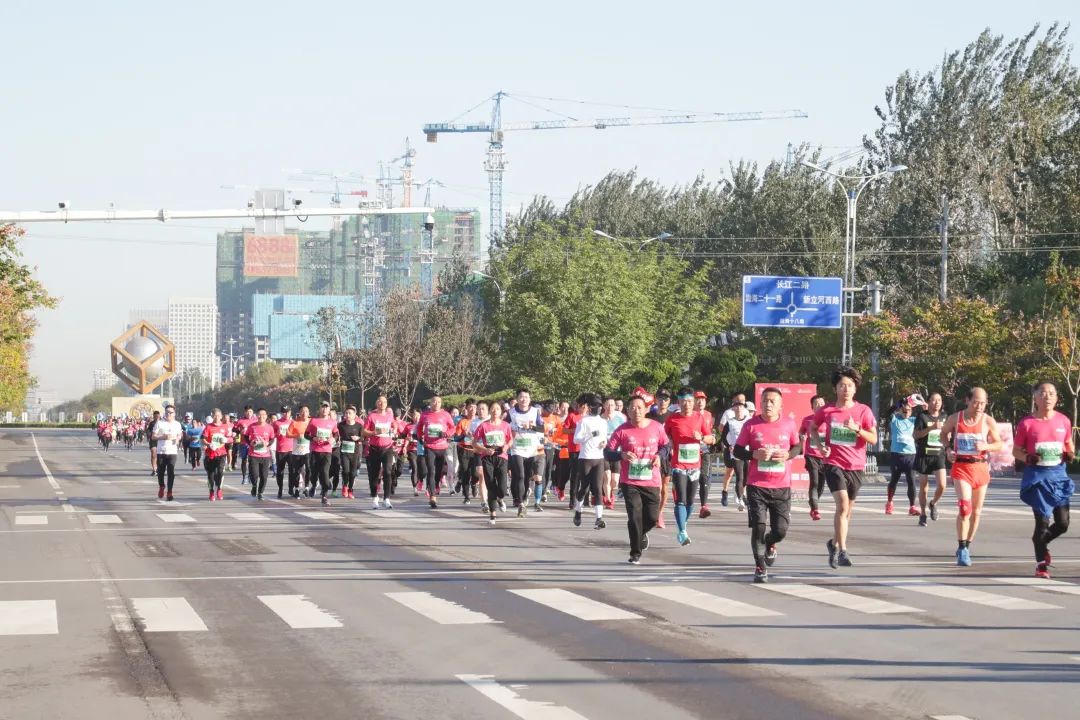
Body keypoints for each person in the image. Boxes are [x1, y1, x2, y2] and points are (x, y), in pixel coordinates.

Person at [810, 365, 877, 569]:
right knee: (842, 505)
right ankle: (843, 551)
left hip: (855, 465)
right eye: (841, 386)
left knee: (847, 512)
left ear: (855, 389)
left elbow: (873, 439)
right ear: (835, 389)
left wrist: (857, 430)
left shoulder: (863, 411)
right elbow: (813, 428)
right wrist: (821, 447)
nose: (846, 389)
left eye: (849, 385)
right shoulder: (827, 410)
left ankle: (833, 543)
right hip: (833, 464)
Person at [734, 387, 800, 583]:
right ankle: (760, 567)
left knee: (780, 531)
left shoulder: (789, 424)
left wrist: (788, 454)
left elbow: (797, 447)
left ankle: (771, 543)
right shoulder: (751, 425)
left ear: (780, 405)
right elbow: (737, 450)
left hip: (781, 486)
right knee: (759, 527)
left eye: (772, 401)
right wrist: (753, 454)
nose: (768, 404)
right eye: (764, 401)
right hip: (757, 485)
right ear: (760, 403)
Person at [1014, 382, 1075, 579]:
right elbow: (1016, 450)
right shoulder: (1027, 423)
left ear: (1057, 398)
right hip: (1038, 479)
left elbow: (1068, 444)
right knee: (1042, 523)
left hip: (1058, 477)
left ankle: (1040, 541)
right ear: (1035, 398)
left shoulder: (1064, 421)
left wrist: (1070, 453)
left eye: (1051, 393)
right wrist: (1028, 458)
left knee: (1063, 524)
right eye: (1043, 393)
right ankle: (1041, 565)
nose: (1047, 396)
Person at [939, 387, 1003, 567]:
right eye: (976, 402)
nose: (979, 406)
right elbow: (943, 434)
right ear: (967, 400)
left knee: (976, 512)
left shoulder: (988, 421)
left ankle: (967, 545)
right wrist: (948, 449)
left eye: (983, 403)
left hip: (980, 467)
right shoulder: (955, 418)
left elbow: (998, 443)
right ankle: (961, 547)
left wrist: (986, 446)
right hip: (961, 466)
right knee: (964, 508)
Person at [604, 394, 670, 564]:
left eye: (640, 407)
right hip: (630, 481)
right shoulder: (622, 430)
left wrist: (659, 456)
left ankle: (641, 535)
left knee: (652, 517)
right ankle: (635, 552)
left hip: (652, 481)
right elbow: (608, 452)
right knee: (634, 517)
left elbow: (666, 445)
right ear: (628, 411)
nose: (636, 411)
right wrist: (622, 454)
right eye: (632, 408)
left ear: (647, 409)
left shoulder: (656, 427)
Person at [664, 387, 715, 545]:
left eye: (690, 401)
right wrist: (669, 443)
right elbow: (663, 436)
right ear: (678, 402)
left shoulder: (700, 418)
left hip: (695, 465)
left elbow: (712, 439)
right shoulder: (672, 419)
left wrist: (702, 438)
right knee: (680, 499)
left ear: (693, 402)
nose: (687, 404)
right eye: (684, 401)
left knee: (691, 501)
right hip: (678, 465)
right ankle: (682, 531)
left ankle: (682, 524)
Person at [572, 393, 609, 530]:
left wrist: (604, 443)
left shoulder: (603, 422)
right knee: (584, 488)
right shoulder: (583, 421)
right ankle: (578, 510)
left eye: (599, 406)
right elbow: (576, 439)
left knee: (598, 489)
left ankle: (599, 519)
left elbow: (604, 438)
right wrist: (588, 436)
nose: (597, 408)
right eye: (594, 406)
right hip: (586, 458)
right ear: (589, 407)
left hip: (599, 458)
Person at [473, 401, 513, 525]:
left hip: (501, 457)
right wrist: (484, 450)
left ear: (501, 411)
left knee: (501, 488)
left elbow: (510, 439)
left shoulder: (506, 425)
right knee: (490, 485)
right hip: (487, 458)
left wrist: (506, 447)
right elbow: (474, 443)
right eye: (493, 409)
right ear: (490, 411)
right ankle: (492, 514)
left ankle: (500, 499)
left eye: (497, 409)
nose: (495, 411)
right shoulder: (483, 426)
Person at [509, 388, 547, 516]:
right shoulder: (511, 412)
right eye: (521, 396)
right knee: (519, 475)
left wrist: (531, 427)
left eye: (526, 397)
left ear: (529, 399)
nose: (524, 399)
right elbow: (503, 426)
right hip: (517, 448)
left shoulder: (535, 412)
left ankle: (524, 498)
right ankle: (520, 504)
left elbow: (542, 428)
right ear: (517, 399)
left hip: (531, 450)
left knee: (526, 477)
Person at [886, 395, 923, 516]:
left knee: (911, 481)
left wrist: (924, 406)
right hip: (896, 455)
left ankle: (912, 506)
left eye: (909, 410)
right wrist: (898, 405)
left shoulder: (913, 420)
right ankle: (889, 502)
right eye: (904, 410)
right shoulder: (895, 420)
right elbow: (888, 413)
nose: (906, 412)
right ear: (901, 410)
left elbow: (924, 418)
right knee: (894, 481)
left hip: (910, 455)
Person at [416, 395, 454, 508]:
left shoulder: (446, 415)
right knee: (431, 471)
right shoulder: (425, 414)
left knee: (438, 471)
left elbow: (453, 428)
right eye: (434, 401)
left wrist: (446, 434)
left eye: (438, 402)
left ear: (441, 404)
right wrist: (420, 437)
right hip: (429, 446)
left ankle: (436, 485)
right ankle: (432, 496)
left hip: (442, 447)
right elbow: (419, 427)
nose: (436, 403)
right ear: (430, 403)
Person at [363, 395, 397, 509]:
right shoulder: (371, 416)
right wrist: (374, 433)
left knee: (387, 472)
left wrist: (395, 430)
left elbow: (394, 425)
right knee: (374, 474)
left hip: (387, 448)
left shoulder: (389, 416)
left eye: (384, 402)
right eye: (380, 402)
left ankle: (386, 498)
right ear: (376, 403)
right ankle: (375, 497)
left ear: (387, 404)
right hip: (374, 448)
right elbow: (364, 432)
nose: (382, 404)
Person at [647, 389, 675, 528]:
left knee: (664, 486)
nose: (663, 401)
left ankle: (659, 513)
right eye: (660, 398)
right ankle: (651, 511)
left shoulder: (672, 416)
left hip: (666, 455)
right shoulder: (649, 416)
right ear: (655, 400)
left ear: (669, 401)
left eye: (665, 399)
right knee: (654, 486)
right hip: (651, 454)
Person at [305, 402, 340, 506]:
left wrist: (333, 439)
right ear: (320, 409)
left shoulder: (333, 422)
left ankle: (324, 495)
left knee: (325, 473)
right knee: (313, 473)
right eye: (323, 407)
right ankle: (313, 484)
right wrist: (313, 438)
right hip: (315, 451)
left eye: (326, 407)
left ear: (329, 410)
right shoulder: (313, 421)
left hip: (327, 451)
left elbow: (336, 434)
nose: (324, 409)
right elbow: (306, 435)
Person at [720, 400, 752, 510]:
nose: (738, 409)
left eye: (741, 407)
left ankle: (740, 492)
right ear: (733, 409)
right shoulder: (730, 422)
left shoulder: (749, 421)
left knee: (746, 477)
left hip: (747, 451)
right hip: (736, 452)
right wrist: (729, 445)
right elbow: (723, 437)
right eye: (736, 407)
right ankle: (740, 500)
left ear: (744, 409)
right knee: (740, 475)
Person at [800, 395, 827, 521]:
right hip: (811, 456)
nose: (820, 405)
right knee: (814, 481)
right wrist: (802, 436)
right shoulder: (807, 420)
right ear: (812, 407)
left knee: (821, 485)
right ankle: (815, 509)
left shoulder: (829, 420)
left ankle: (813, 503)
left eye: (822, 403)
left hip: (825, 456)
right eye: (817, 403)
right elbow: (801, 432)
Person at [244, 408, 276, 501]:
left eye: (263, 415)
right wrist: (250, 443)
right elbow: (246, 437)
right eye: (259, 414)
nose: (261, 416)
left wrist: (267, 444)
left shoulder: (270, 427)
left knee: (264, 476)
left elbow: (272, 439)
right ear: (257, 416)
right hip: (254, 454)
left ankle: (260, 492)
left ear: (266, 416)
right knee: (254, 474)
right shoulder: (252, 426)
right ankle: (254, 486)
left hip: (265, 455)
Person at [693, 391, 716, 518]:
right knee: (691, 479)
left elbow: (709, 433)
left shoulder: (708, 415)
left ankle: (704, 506)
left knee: (704, 477)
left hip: (705, 450)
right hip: (691, 451)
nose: (700, 401)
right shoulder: (690, 414)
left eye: (703, 399)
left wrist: (711, 438)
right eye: (698, 399)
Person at [153, 406, 183, 500]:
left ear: (174, 414)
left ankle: (169, 492)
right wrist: (163, 437)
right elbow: (153, 437)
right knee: (160, 472)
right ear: (164, 413)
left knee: (171, 471)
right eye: (167, 412)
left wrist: (178, 439)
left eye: (171, 412)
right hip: (161, 451)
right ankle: (162, 486)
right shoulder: (160, 423)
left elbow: (180, 434)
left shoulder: (177, 424)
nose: (168, 414)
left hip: (172, 451)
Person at [201, 409, 232, 501]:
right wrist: (208, 444)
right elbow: (203, 438)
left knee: (220, 472)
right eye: (214, 415)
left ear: (221, 416)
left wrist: (226, 440)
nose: (216, 417)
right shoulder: (208, 427)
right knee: (211, 475)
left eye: (218, 415)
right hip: (210, 454)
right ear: (212, 416)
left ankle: (219, 489)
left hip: (221, 454)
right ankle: (211, 491)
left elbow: (230, 439)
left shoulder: (225, 427)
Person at [338, 405, 363, 501]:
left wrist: (358, 438)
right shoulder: (340, 425)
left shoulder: (359, 426)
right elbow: (335, 433)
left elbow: (363, 438)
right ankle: (345, 485)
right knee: (345, 470)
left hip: (355, 452)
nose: (347, 415)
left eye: (350, 413)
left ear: (354, 415)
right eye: (346, 413)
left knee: (353, 473)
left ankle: (351, 489)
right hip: (344, 451)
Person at [287, 406, 312, 498]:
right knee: (296, 471)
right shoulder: (294, 422)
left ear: (309, 413)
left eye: (306, 411)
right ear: (299, 413)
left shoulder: (311, 422)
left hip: (308, 450)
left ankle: (306, 488)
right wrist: (296, 435)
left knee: (309, 468)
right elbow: (288, 434)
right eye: (302, 411)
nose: (304, 413)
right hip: (296, 451)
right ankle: (297, 489)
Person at [272, 406, 294, 499]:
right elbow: (272, 435)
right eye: (284, 412)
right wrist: (278, 434)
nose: (286, 414)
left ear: (290, 412)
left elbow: (297, 434)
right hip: (280, 450)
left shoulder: (293, 422)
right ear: (281, 413)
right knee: (280, 472)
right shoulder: (276, 423)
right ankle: (280, 489)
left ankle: (291, 488)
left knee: (292, 471)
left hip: (291, 450)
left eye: (287, 412)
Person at [146, 409, 161, 476]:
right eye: (155, 416)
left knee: (159, 456)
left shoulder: (162, 423)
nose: (156, 417)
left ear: (159, 416)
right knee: (153, 454)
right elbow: (148, 430)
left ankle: (158, 469)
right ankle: (154, 469)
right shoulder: (151, 423)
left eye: (158, 416)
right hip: (153, 441)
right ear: (154, 416)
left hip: (160, 441)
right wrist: (149, 435)